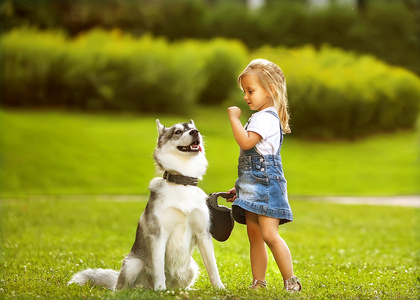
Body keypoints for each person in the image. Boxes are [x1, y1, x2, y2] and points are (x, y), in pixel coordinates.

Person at [226, 59, 301, 292]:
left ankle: (291, 281)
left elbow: (247, 142)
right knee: (254, 235)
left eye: (251, 91)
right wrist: (241, 188)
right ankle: (259, 282)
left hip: (267, 185)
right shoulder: (261, 117)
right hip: (255, 184)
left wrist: (233, 119)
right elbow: (252, 164)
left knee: (269, 234)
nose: (246, 97)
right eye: (244, 92)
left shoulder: (265, 118)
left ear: (270, 91)